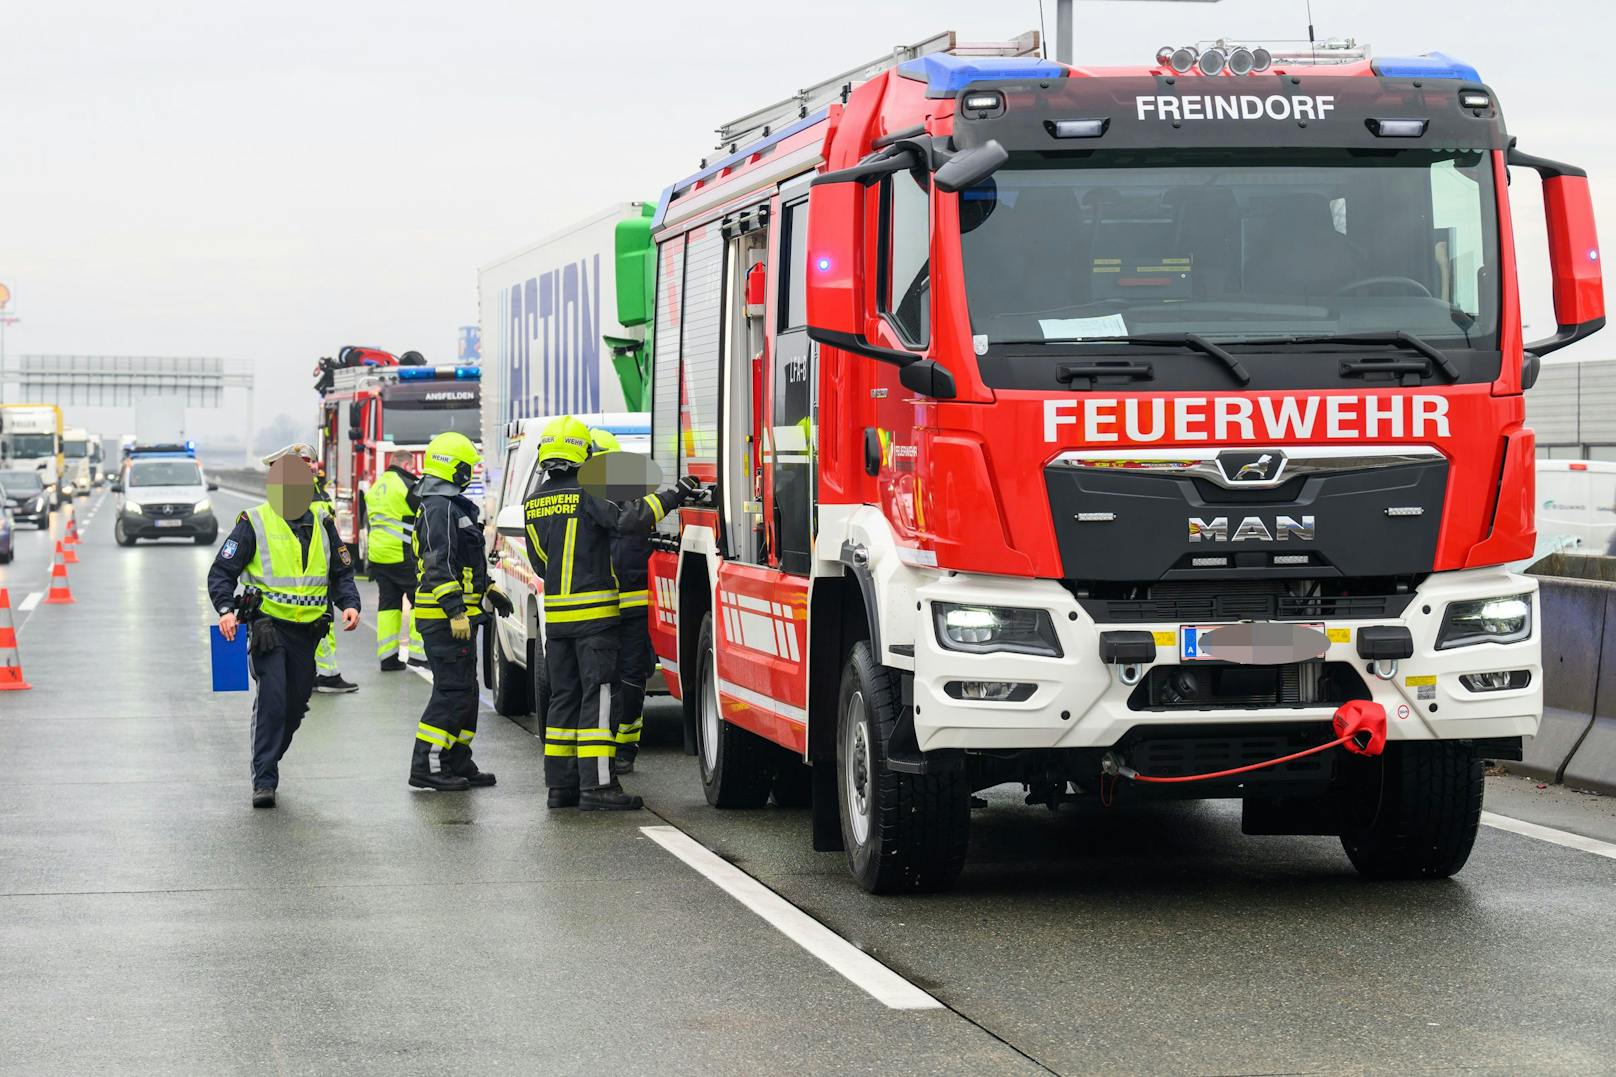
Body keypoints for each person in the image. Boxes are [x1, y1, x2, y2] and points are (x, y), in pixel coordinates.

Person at [524, 415, 697, 810]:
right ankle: (599, 787)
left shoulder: (532, 502)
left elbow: (539, 563)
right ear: (581, 453)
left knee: (563, 699)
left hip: (558, 620)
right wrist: (673, 496)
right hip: (595, 619)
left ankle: (561, 788)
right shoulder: (590, 491)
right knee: (599, 697)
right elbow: (629, 520)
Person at [208, 450, 361, 808]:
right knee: (273, 701)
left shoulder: (323, 521)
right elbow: (222, 572)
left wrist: (350, 603)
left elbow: (341, 571)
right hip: (268, 629)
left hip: (307, 634)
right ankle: (264, 779)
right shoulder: (254, 521)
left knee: (294, 707)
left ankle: (270, 757)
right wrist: (227, 609)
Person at [408, 430, 498, 791]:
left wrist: (489, 590)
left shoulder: (451, 506)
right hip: (444, 621)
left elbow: (464, 563)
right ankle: (427, 765)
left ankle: (456, 760)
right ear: (453, 468)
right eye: (467, 467)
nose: (470, 473)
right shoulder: (438, 507)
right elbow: (438, 564)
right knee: (450, 691)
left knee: (466, 691)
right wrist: (455, 611)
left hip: (457, 618)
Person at [588, 428, 654, 775]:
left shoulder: (625, 497)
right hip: (609, 612)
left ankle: (621, 750)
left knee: (621, 681)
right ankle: (617, 750)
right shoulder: (598, 501)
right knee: (617, 681)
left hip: (618, 612)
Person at [365, 449, 422, 671]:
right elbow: (423, 511)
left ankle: (388, 657)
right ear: (407, 465)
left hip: (378, 556)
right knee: (419, 599)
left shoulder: (377, 486)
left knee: (388, 605)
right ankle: (418, 654)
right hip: (402, 554)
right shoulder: (407, 484)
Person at [306, 458, 360, 693]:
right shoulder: (303, 496)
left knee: (321, 624)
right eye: (306, 466)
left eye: (313, 464)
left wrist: (349, 602)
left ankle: (323, 674)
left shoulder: (320, 491)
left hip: (322, 571)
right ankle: (325, 675)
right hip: (310, 576)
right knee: (318, 625)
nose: (314, 468)